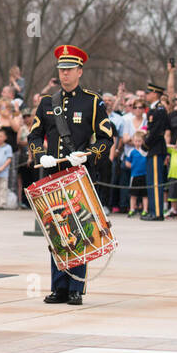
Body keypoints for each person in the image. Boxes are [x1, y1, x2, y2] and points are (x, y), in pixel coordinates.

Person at [25, 44, 117, 305]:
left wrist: (88, 154)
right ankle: (59, 287)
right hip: (53, 174)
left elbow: (106, 137)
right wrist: (38, 152)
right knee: (57, 229)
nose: (64, 74)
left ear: (79, 71)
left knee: (80, 229)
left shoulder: (91, 101)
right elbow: (34, 133)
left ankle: (77, 286)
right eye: (61, 70)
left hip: (78, 174)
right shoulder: (46, 103)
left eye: (69, 69)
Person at [142, 62, 176, 220]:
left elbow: (156, 131)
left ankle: (157, 212)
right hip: (153, 148)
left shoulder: (160, 109)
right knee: (151, 181)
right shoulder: (154, 109)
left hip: (156, 148)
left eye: (148, 93)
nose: (146, 95)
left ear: (155, 94)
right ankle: (153, 210)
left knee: (156, 181)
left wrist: (145, 143)